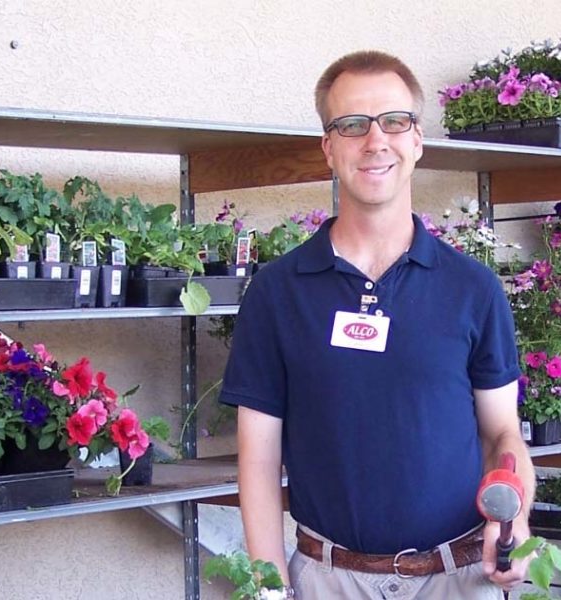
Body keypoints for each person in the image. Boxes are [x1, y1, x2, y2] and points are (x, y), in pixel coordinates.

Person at [220, 49, 535, 599]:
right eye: (351, 125)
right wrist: (269, 588)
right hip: (326, 580)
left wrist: (515, 518)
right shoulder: (277, 292)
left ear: (417, 140)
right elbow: (260, 458)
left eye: (394, 121)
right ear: (328, 147)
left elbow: (502, 432)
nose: (375, 140)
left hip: (459, 580)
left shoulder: (473, 289)